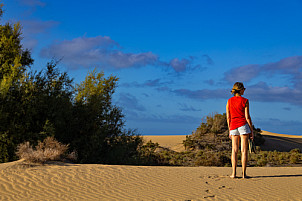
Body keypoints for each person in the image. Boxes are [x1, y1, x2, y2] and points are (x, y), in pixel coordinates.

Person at [226, 82, 253, 179]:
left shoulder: (229, 101)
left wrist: (230, 129)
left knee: (234, 150)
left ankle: (233, 173)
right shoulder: (245, 100)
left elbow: (228, 117)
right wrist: (251, 130)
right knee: (244, 151)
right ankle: (244, 174)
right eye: (243, 89)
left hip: (233, 126)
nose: (244, 90)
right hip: (243, 126)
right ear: (240, 90)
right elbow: (247, 117)